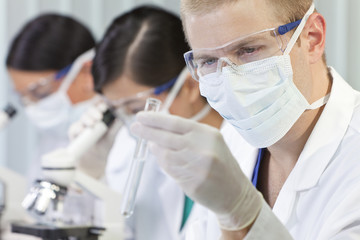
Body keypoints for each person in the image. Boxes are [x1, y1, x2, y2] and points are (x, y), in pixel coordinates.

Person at [131, 0, 360, 239]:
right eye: (209, 60)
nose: (231, 81)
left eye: (248, 50)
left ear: (312, 38)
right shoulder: (231, 140)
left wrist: (242, 213)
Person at [88, 5, 251, 240]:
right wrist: (91, 174)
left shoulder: (248, 151)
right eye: (117, 110)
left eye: (134, 108)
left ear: (190, 86)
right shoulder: (128, 151)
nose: (131, 122)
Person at [5, 13, 107, 179]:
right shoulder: (53, 138)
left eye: (40, 92)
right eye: (23, 97)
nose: (33, 106)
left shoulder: (123, 136)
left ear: (87, 71)